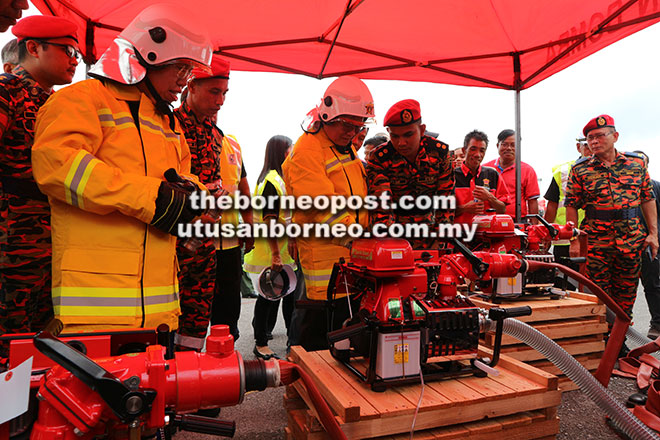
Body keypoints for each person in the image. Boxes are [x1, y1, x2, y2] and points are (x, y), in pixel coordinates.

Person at [31, 4, 213, 332]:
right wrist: (152, 198)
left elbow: (183, 175)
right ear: (147, 57)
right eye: (180, 69)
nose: (184, 82)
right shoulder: (81, 99)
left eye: (189, 73)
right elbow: (56, 165)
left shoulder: (166, 121)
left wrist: (193, 196)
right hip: (93, 309)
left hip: (160, 312)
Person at [0, 15, 78, 352]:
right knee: (8, 341)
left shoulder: (58, 104)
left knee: (42, 341)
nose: (75, 60)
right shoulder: (7, 92)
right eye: (68, 50)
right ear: (33, 47)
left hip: (51, 241)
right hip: (12, 243)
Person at [282, 75, 372, 351]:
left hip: (348, 266)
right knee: (313, 345)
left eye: (358, 126)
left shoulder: (345, 151)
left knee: (341, 343)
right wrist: (360, 238)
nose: (352, 132)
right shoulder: (308, 150)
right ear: (327, 114)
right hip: (322, 270)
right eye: (347, 125)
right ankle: (298, 390)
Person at [565, 115, 658, 319]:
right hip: (596, 242)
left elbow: (647, 199)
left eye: (599, 136)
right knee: (598, 296)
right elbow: (571, 205)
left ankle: (620, 338)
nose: (594, 142)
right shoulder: (580, 169)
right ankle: (605, 341)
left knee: (626, 294)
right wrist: (573, 240)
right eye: (590, 138)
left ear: (615, 136)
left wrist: (653, 234)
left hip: (632, 240)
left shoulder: (636, 164)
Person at [171, 56, 229, 351]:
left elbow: (215, 180)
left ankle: (189, 366)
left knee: (198, 311)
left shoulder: (216, 135)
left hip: (204, 241)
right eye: (214, 92)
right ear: (191, 86)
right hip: (172, 237)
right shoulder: (169, 125)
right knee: (168, 313)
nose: (220, 100)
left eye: (224, 94)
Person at [366, 99, 454, 249]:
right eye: (395, 136)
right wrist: (389, 245)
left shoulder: (439, 153)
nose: (401, 143)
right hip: (394, 233)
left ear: (421, 129)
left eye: (408, 135)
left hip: (430, 232)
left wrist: (439, 242)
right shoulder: (380, 158)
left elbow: (445, 202)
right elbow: (381, 206)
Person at [245, 135, 297, 359]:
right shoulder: (272, 181)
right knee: (267, 298)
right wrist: (276, 255)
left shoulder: (280, 179)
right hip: (272, 253)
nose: (293, 154)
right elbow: (270, 219)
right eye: (290, 149)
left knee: (288, 299)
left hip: (283, 252)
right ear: (281, 152)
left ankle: (293, 342)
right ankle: (261, 343)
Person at [209, 102, 254, 342]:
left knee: (228, 301)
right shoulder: (181, 137)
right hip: (193, 242)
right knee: (191, 307)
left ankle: (225, 348)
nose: (214, 109)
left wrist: (249, 225)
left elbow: (244, 189)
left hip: (230, 243)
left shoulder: (232, 144)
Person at [543, 136, 592, 271]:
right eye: (587, 146)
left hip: (596, 238)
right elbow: (551, 205)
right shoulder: (563, 171)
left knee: (591, 287)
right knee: (564, 286)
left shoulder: (608, 170)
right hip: (565, 238)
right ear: (578, 147)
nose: (591, 150)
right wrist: (546, 234)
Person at [632, 151, 660, 338]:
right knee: (623, 286)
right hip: (627, 245)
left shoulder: (655, 187)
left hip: (649, 245)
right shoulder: (622, 186)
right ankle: (621, 327)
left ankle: (657, 324)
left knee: (653, 284)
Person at [484, 129, 540, 221]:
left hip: (517, 221)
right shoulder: (485, 169)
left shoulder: (527, 170)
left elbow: (532, 201)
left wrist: (534, 228)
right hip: (489, 220)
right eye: (504, 144)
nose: (508, 148)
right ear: (498, 146)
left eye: (513, 145)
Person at [453, 130, 506, 225]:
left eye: (482, 150)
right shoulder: (450, 176)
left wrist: (490, 197)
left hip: (487, 236)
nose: (478, 154)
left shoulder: (493, 175)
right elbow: (439, 212)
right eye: (473, 149)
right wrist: (464, 208)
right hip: (458, 236)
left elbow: (502, 210)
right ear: (464, 150)